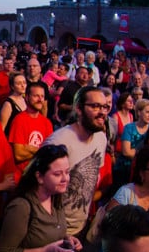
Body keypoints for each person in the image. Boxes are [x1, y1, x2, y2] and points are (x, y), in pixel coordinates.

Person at [43, 86, 109, 239]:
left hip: (80, 226)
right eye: (95, 106)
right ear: (79, 109)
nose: (102, 112)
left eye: (105, 107)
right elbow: (36, 190)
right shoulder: (59, 141)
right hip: (53, 229)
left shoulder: (101, 139)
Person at [8, 81, 54, 177]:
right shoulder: (19, 120)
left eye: (42, 96)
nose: (40, 99)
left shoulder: (47, 123)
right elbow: (18, 155)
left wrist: (32, 149)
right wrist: (41, 150)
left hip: (41, 176)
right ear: (27, 98)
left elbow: (49, 154)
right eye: (36, 96)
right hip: (23, 177)